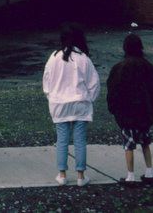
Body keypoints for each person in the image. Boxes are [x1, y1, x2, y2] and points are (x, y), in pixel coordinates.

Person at [42, 24, 100, 187]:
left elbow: (47, 83)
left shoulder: (54, 57)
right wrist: (90, 100)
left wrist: (52, 97)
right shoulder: (83, 58)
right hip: (80, 103)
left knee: (62, 139)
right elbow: (94, 84)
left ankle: (62, 175)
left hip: (59, 104)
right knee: (80, 140)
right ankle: (81, 176)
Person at [107, 33, 153, 185]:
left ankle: (130, 176)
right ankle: (149, 172)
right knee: (145, 142)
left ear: (125, 48)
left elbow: (113, 91)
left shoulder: (119, 68)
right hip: (145, 113)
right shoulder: (149, 68)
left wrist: (114, 108)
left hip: (126, 114)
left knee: (129, 144)